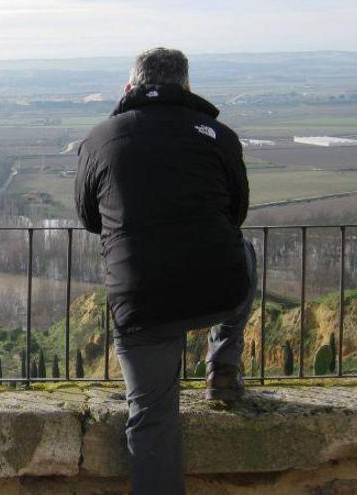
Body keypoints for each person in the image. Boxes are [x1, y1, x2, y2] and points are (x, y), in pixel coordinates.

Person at [74, 48, 256, 495]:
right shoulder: (219, 135)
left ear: (129, 88)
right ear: (187, 87)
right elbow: (237, 213)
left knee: (153, 416)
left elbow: (89, 218)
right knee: (244, 253)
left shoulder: (100, 139)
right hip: (219, 285)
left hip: (142, 297)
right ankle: (222, 368)